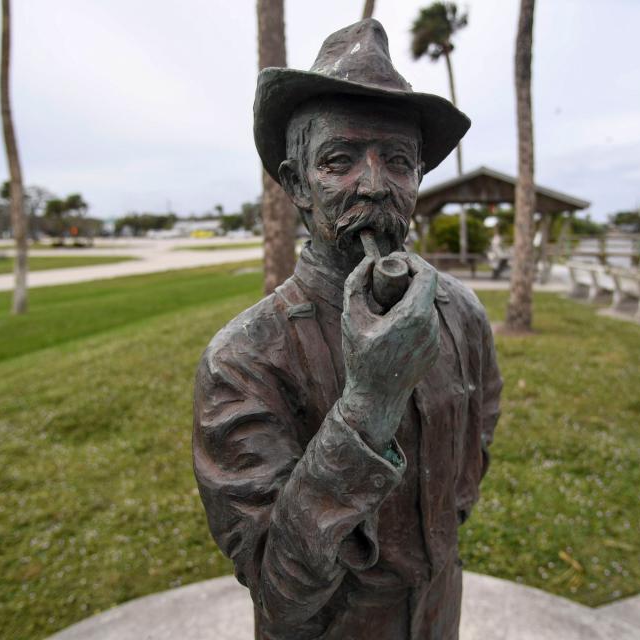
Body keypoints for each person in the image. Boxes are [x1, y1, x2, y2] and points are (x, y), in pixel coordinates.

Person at [193, 19, 502, 640]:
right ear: (296, 184)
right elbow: (278, 586)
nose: (374, 183)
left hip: (440, 611)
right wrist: (369, 403)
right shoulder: (246, 357)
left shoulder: (461, 314)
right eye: (339, 161)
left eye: (398, 161)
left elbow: (475, 447)